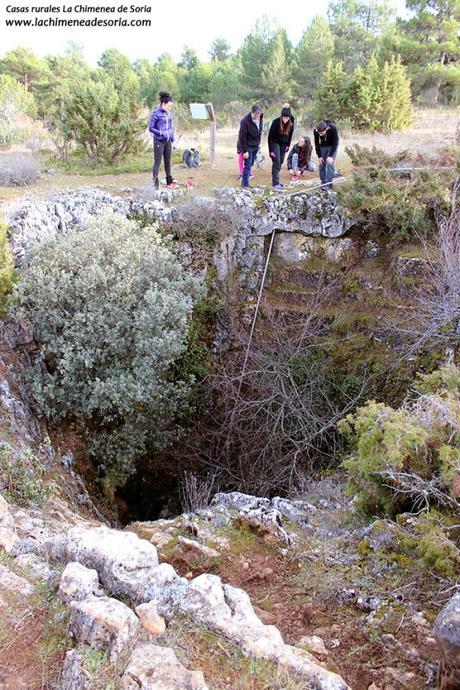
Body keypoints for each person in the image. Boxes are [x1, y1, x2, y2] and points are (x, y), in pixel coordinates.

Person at [148, 91, 177, 190]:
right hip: (159, 141)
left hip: (168, 141)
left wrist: (171, 134)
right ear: (163, 104)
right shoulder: (155, 114)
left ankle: (169, 181)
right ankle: (155, 183)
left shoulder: (168, 114)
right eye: (169, 106)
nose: (170, 108)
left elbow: (170, 125)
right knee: (157, 162)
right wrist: (161, 133)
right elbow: (151, 128)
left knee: (168, 162)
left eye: (171, 107)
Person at [268, 107, 294, 191]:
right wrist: (271, 151)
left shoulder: (291, 123)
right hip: (275, 143)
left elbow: (290, 135)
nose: (285, 120)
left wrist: (288, 145)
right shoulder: (275, 122)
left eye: (287, 118)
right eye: (284, 118)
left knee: (281, 161)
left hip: (284, 144)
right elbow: (270, 137)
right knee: (277, 161)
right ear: (281, 116)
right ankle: (275, 183)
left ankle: (277, 180)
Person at [237, 104, 263, 188]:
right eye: (256, 114)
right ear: (252, 113)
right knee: (248, 165)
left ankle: (246, 183)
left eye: (259, 114)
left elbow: (259, 131)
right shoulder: (245, 121)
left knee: (251, 164)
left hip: (256, 145)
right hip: (247, 146)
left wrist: (258, 143)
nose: (258, 116)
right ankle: (245, 185)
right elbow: (242, 136)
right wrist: (244, 151)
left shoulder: (260, 118)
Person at [313, 120, 339, 187]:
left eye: (322, 133)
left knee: (330, 163)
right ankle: (323, 183)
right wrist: (319, 156)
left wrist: (330, 156)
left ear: (326, 129)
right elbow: (316, 143)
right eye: (319, 133)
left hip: (332, 147)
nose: (320, 135)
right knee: (322, 164)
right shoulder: (315, 131)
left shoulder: (333, 128)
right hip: (322, 147)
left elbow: (335, 143)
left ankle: (328, 184)